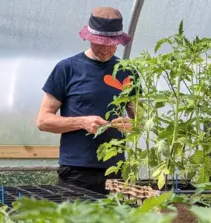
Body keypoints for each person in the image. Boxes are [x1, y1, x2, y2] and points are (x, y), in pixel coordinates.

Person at [37, 7, 137, 195]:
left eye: (112, 43)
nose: (107, 49)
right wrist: (82, 122)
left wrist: (133, 125)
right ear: (89, 37)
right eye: (101, 43)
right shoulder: (67, 68)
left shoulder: (127, 71)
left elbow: (143, 121)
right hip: (77, 171)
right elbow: (43, 121)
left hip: (116, 170)